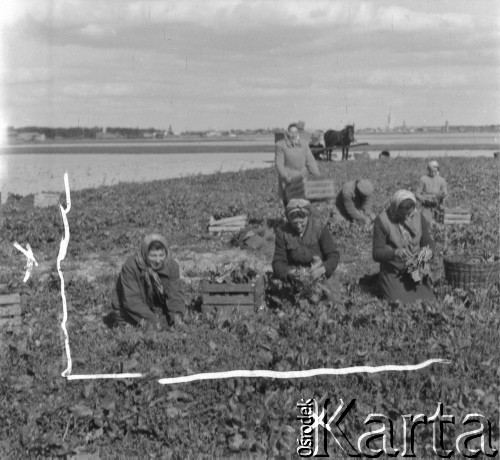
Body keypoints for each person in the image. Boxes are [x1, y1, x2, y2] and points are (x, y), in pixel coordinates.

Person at [272, 198, 341, 305]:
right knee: (291, 307)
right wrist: (291, 273)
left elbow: (333, 256)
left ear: (308, 216)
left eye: (302, 222)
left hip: (319, 276)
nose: (298, 225)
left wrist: (322, 269)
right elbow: (278, 263)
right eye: (294, 222)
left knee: (330, 304)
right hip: (296, 279)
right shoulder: (282, 232)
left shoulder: (319, 227)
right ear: (289, 219)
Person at [110, 233, 186, 328]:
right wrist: (155, 323)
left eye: (161, 255)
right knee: (137, 328)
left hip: (154, 307)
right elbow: (132, 301)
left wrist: (176, 318)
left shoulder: (172, 266)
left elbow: (175, 294)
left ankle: (156, 320)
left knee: (169, 323)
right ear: (145, 253)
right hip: (131, 311)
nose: (158, 260)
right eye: (153, 256)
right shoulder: (131, 267)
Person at [372, 190, 435, 304]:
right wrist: (395, 252)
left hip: (415, 267)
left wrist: (427, 253)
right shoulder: (382, 220)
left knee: (428, 299)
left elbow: (427, 242)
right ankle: (381, 281)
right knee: (398, 301)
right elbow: (376, 253)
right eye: (403, 214)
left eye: (409, 214)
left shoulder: (419, 216)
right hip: (393, 268)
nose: (406, 218)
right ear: (395, 209)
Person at [275, 123, 321, 205]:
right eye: (291, 132)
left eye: (295, 132)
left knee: (303, 205)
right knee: (289, 206)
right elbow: (279, 164)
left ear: (298, 133)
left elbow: (310, 161)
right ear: (287, 133)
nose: (293, 135)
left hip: (302, 178)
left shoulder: (304, 144)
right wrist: (285, 176)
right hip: (288, 180)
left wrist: (317, 175)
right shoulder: (280, 145)